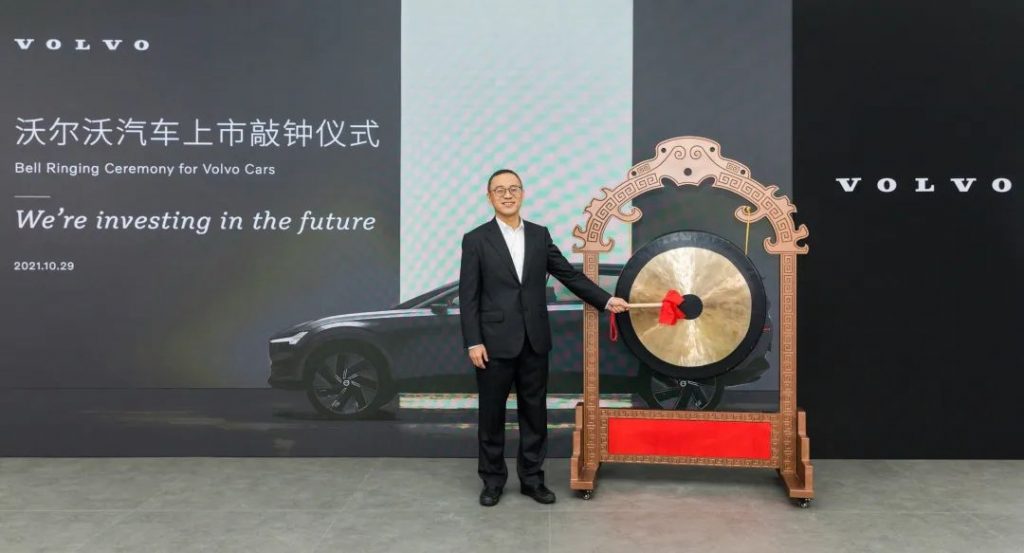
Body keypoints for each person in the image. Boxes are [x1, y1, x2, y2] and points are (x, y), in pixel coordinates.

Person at [459, 168, 629, 507]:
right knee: (491, 416)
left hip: (535, 340)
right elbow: (469, 295)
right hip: (492, 343)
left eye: (514, 188)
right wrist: (473, 341)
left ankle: (532, 480)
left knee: (534, 414)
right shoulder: (476, 239)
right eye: (500, 190)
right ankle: (492, 481)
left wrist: (606, 300)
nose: (507, 195)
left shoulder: (539, 235)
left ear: (522, 193)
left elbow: (567, 274)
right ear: (489, 197)